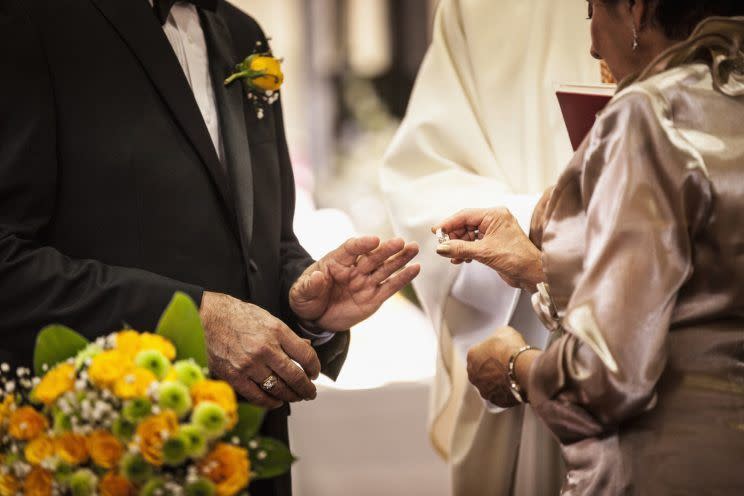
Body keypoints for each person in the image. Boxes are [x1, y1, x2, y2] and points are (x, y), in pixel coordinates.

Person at [0, 1, 420, 495]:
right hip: (100, 456)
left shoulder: (244, 34)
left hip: (246, 459)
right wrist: (191, 319)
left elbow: (264, 240)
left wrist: (303, 305)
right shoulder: (32, 19)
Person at [435, 1, 744, 494]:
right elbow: (705, 289)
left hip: (670, 464)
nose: (593, 43)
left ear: (637, 11)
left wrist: (516, 369)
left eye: (593, 11)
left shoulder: (649, 113)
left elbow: (610, 376)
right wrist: (544, 259)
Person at [381, 0, 597, 494]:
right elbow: (423, 179)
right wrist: (528, 227)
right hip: (527, 355)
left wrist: (552, 244)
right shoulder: (483, 10)